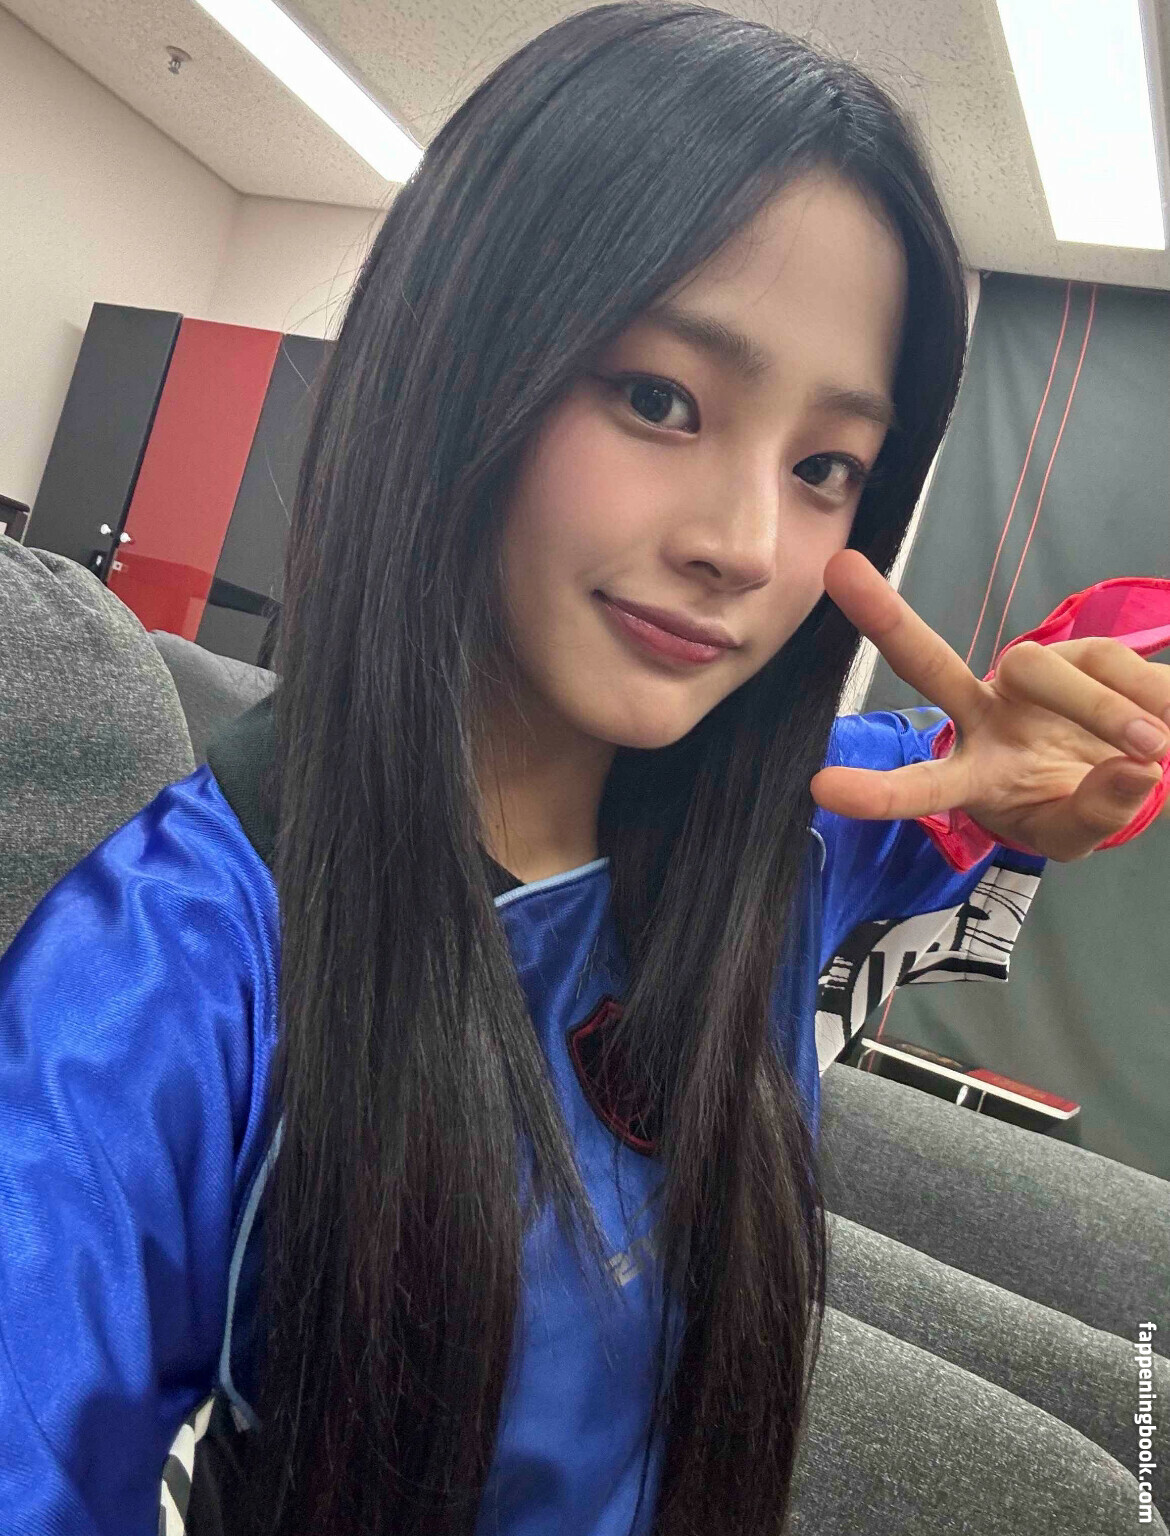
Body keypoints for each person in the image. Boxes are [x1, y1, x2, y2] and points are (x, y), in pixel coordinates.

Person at [0, 5, 1167, 1534]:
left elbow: (1020, 756)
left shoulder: (791, 824)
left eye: (824, 466)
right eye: (659, 400)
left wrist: (1068, 762)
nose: (744, 543)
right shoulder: (169, 975)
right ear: (461, 358)